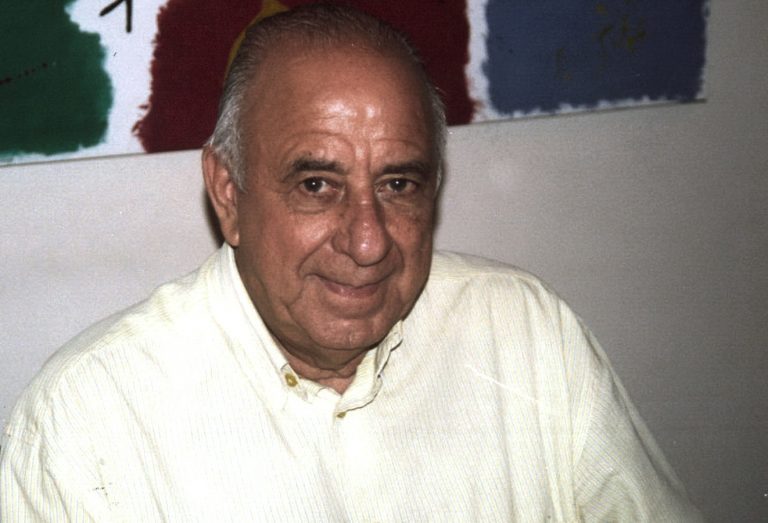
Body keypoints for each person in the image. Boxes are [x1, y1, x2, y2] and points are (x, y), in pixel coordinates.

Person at [1, 4, 701, 521]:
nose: (369, 242)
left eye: (398, 184)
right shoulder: (84, 423)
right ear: (229, 193)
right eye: (316, 185)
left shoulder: (525, 334)